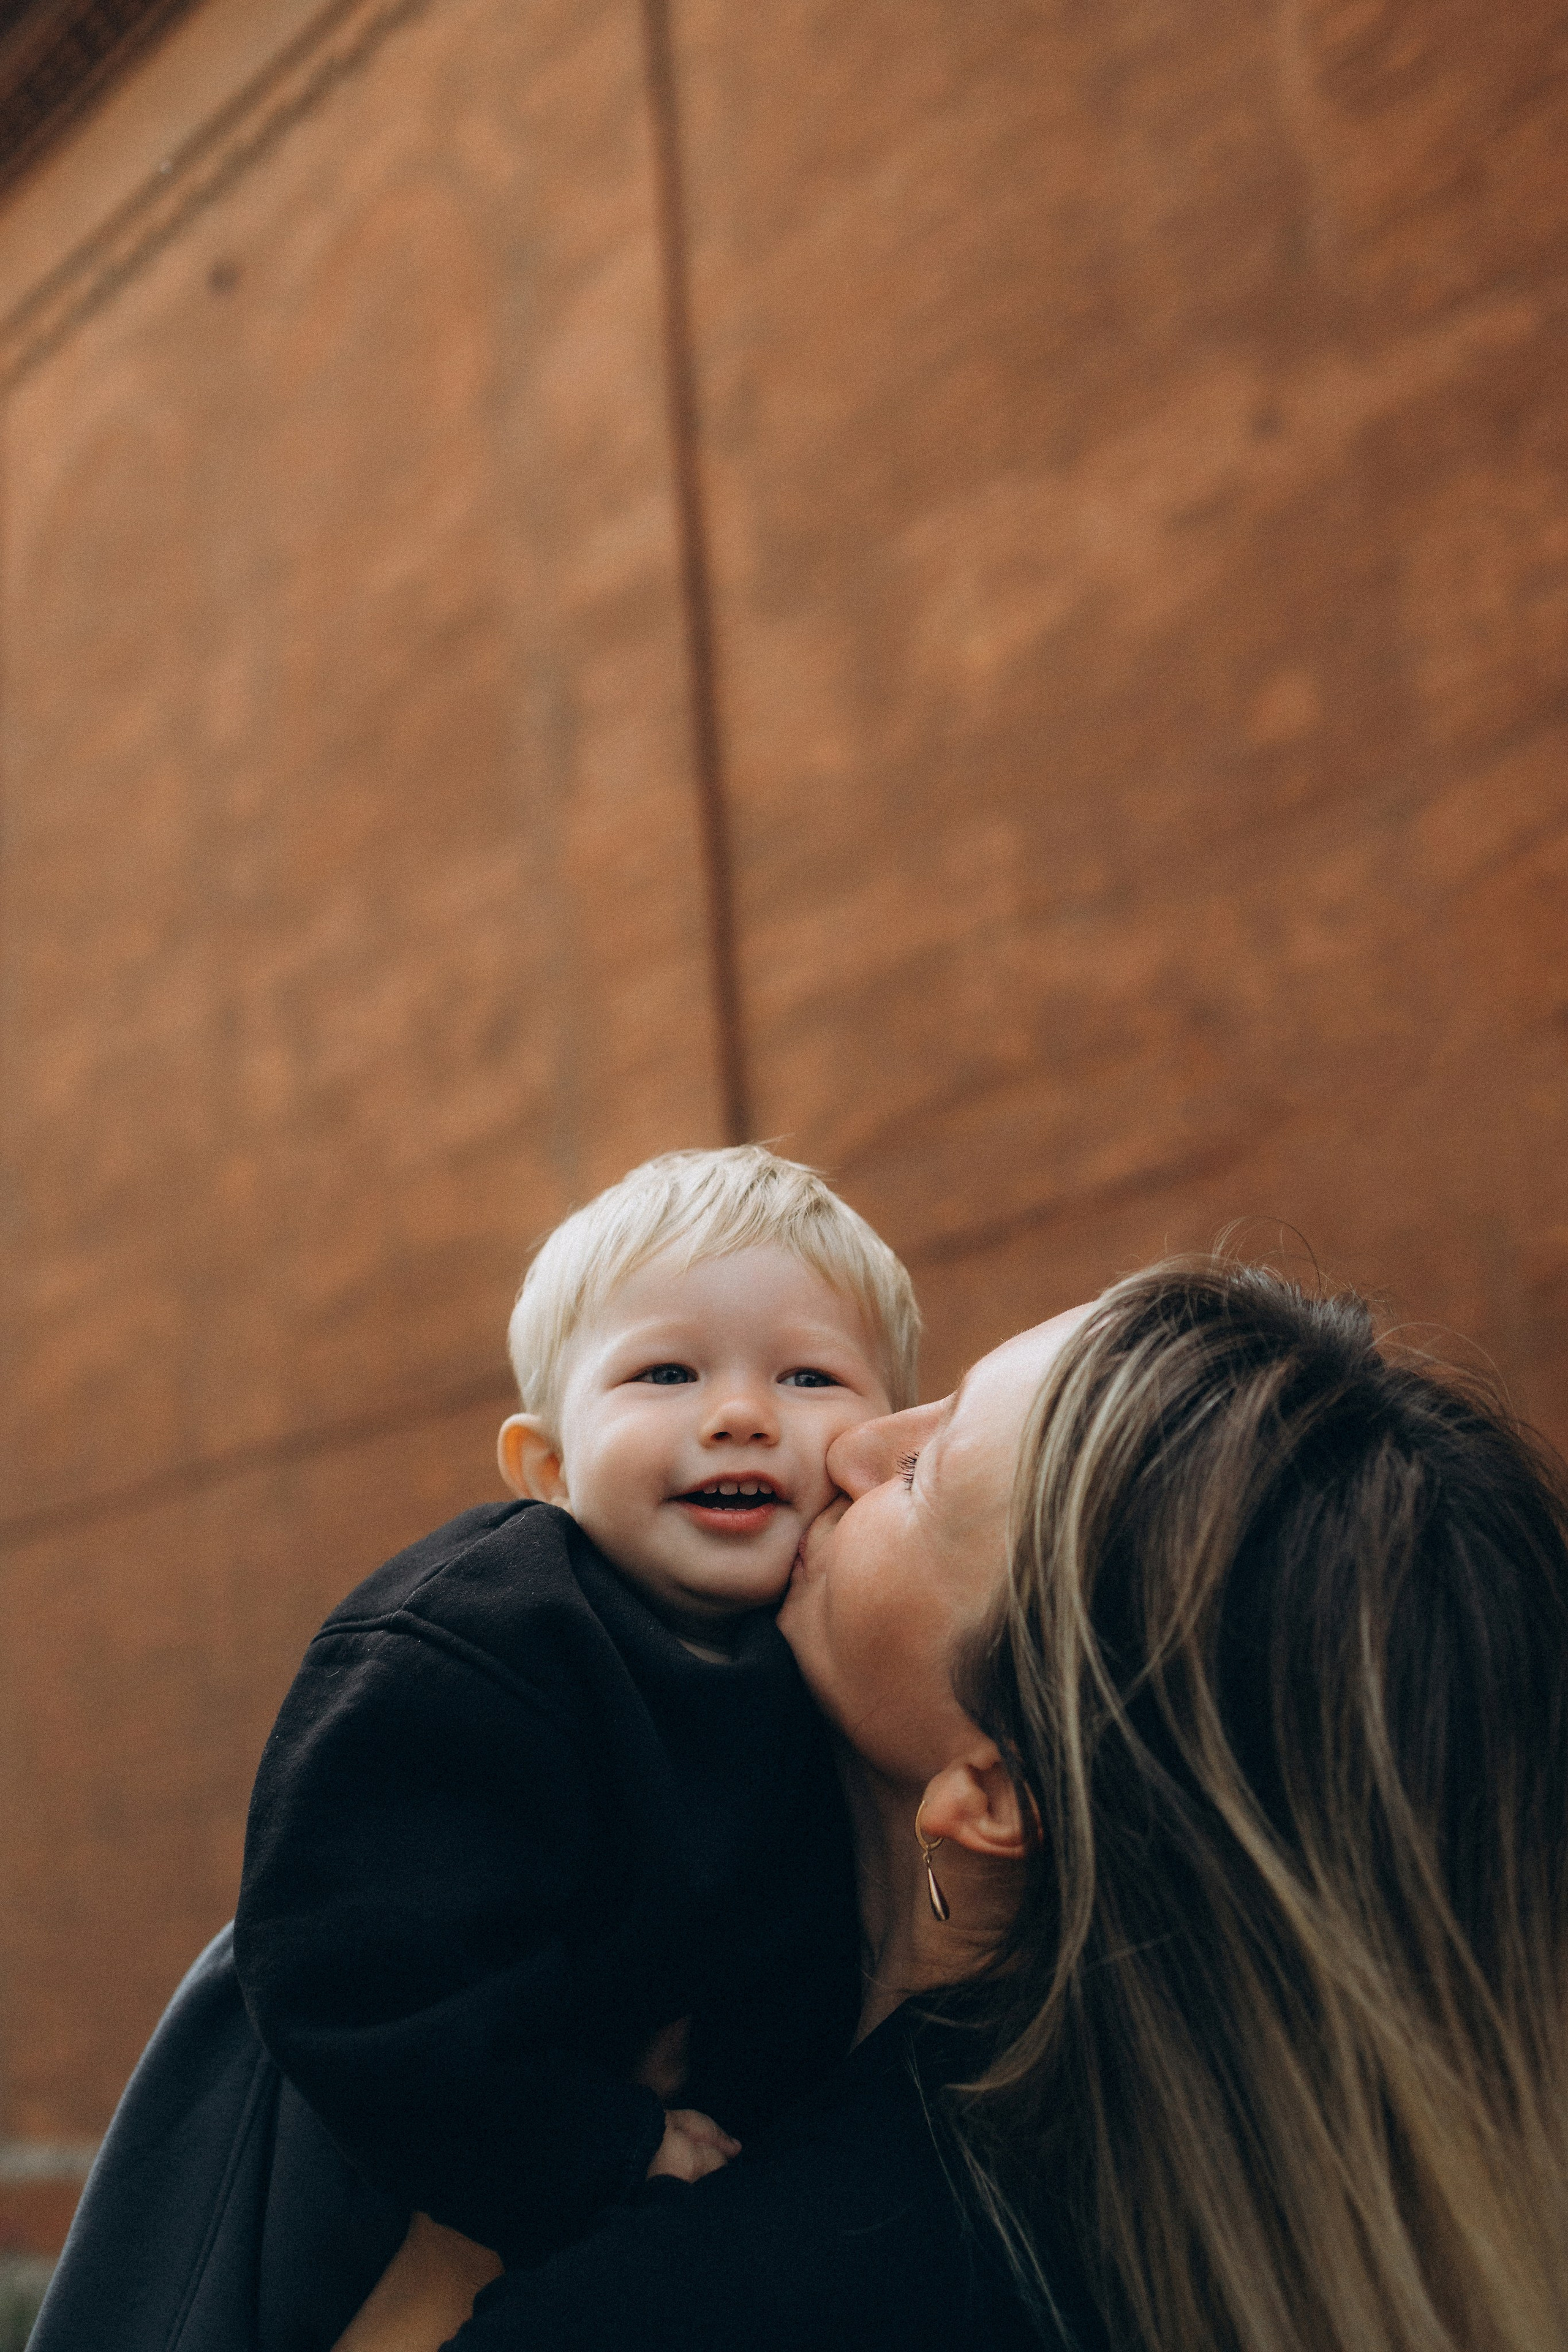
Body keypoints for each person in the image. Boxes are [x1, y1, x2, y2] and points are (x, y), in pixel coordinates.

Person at [342, 1254, 1568, 2352]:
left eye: (921, 1473)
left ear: (992, 1793)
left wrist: (475, 2194)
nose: (845, 1447)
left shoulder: (718, 2297)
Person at [232, 1147, 916, 2269]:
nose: (742, 1414)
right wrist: (601, 2146)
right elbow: (352, 1984)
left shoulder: (836, 1657)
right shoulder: (475, 1645)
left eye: (809, 1379)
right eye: (665, 1375)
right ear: (547, 1464)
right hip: (385, 2176)